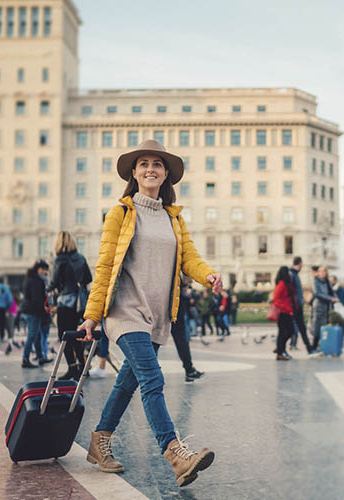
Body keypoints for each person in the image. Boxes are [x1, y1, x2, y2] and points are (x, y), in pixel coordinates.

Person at [78, 140, 221, 485]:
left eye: (157, 164)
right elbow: (105, 266)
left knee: (128, 383)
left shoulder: (175, 218)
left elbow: (189, 258)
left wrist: (208, 275)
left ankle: (100, 440)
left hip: (157, 315)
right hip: (125, 311)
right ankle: (175, 453)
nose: (150, 169)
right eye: (143, 164)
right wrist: (92, 316)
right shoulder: (121, 213)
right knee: (152, 379)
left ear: (166, 174)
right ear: (134, 172)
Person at [49, 231, 93, 380]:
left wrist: (50, 288)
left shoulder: (59, 259)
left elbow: (54, 281)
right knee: (77, 334)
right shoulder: (80, 258)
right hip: (80, 302)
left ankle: (72, 369)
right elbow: (88, 278)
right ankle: (82, 367)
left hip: (65, 301)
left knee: (65, 336)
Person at [20, 260, 52, 368]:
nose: (45, 272)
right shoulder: (36, 281)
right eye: (43, 269)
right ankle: (25, 359)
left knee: (37, 335)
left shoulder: (31, 278)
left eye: (46, 270)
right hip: (33, 311)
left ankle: (40, 357)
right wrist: (43, 313)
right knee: (32, 335)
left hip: (31, 310)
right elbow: (37, 299)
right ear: (38, 269)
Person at [288, 256, 314, 353]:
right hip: (295, 306)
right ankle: (281, 348)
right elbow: (290, 291)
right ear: (300, 263)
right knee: (294, 328)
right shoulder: (292, 274)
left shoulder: (294, 274)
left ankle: (309, 348)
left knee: (301, 328)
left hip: (297, 305)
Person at [272, 266, 297, 360]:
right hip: (282, 312)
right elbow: (276, 300)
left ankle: (279, 348)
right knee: (285, 332)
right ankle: (279, 352)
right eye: (288, 272)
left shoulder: (286, 284)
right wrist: (286, 308)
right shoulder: (281, 284)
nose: (290, 274)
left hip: (287, 311)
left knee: (288, 331)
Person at [311, 266, 337, 350]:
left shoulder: (327, 282)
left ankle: (323, 345)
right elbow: (317, 293)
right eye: (321, 271)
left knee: (325, 326)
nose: (322, 273)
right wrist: (331, 299)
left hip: (326, 306)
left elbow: (332, 292)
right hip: (318, 306)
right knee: (317, 326)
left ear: (326, 273)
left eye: (324, 271)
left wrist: (336, 298)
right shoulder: (315, 281)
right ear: (318, 273)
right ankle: (314, 346)